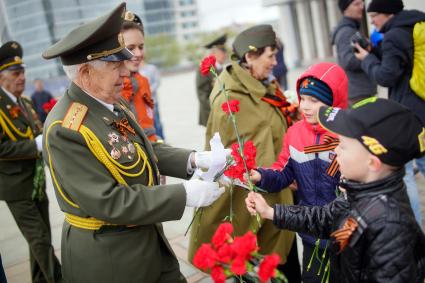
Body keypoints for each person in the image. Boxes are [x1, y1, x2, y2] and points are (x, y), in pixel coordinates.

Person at [41, 4, 226, 283]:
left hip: (147, 238)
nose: (125, 74)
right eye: (116, 67)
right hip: (112, 258)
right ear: (85, 74)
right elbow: (109, 202)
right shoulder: (65, 129)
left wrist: (194, 159)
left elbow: (143, 150)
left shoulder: (110, 102)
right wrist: (184, 194)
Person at [246, 97, 425, 283]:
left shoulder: (391, 228)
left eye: (343, 146)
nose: (336, 151)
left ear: (372, 163)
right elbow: (324, 218)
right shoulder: (358, 190)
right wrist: (270, 212)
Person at [188, 25, 301, 282]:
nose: (275, 62)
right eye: (270, 55)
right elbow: (227, 161)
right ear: (249, 57)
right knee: (267, 267)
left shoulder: (262, 87)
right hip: (254, 204)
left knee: (284, 262)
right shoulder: (230, 99)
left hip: (278, 196)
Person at [249, 62, 348, 283]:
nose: (306, 106)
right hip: (310, 233)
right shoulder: (295, 134)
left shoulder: (347, 136)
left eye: (315, 101)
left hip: (344, 237)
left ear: (334, 102)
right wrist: (261, 176)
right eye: (302, 98)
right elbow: (283, 173)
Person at [353, 0, 425, 226]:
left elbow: (386, 76)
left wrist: (367, 60)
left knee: (406, 171)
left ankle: (413, 229)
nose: (372, 21)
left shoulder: (394, 36)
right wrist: (375, 50)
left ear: (388, 13)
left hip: (411, 112)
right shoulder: (414, 25)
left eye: (374, 15)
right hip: (421, 105)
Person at [0, 41, 61, 283]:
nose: (22, 78)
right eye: (16, 74)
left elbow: (38, 132)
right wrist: (33, 146)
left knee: (41, 237)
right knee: (40, 240)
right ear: (2, 77)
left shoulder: (24, 103)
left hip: (36, 182)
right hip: (16, 187)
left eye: (23, 72)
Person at [120, 12, 158, 142]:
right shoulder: (109, 89)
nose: (138, 53)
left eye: (141, 47)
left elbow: (150, 128)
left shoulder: (143, 81)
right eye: (130, 48)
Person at [331, 0, 377, 106]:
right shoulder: (346, 32)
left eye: (362, 3)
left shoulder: (352, 28)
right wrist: (368, 55)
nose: (361, 7)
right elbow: (347, 61)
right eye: (356, 4)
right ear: (345, 9)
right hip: (358, 94)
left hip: (359, 92)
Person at [196, 34, 227, 127]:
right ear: (214, 53)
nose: (225, 55)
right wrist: (217, 109)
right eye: (222, 52)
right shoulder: (204, 68)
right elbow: (202, 94)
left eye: (225, 52)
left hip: (223, 114)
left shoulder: (221, 68)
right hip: (211, 114)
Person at [140, 59, 165, 140]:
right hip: (141, 103)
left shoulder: (151, 68)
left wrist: (147, 91)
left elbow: (157, 82)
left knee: (157, 122)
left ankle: (162, 139)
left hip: (153, 101)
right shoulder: (135, 70)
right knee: (148, 123)